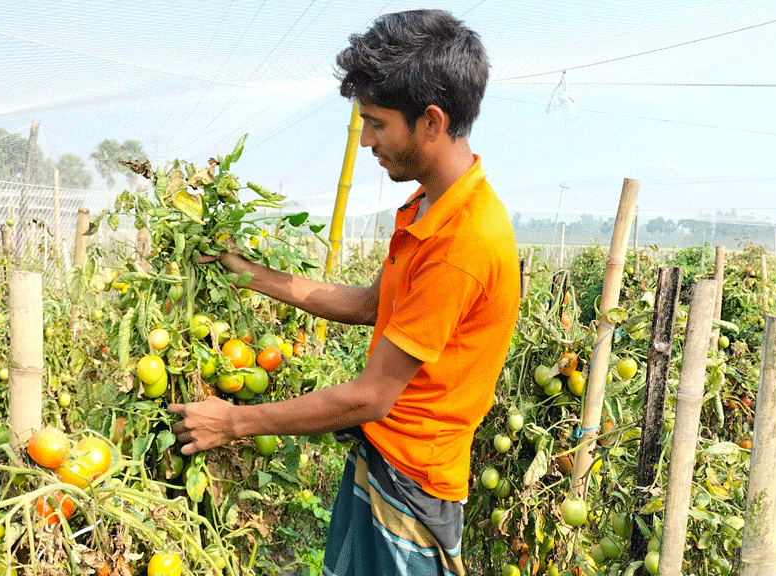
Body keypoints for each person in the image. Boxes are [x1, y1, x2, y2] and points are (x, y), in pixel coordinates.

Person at [168, 9, 519, 575]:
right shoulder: (427, 206)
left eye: (377, 124)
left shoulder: (464, 242)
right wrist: (246, 272)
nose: (368, 141)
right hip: (382, 459)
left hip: (414, 487)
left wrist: (233, 422)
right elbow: (366, 305)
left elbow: (370, 396)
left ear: (431, 121)